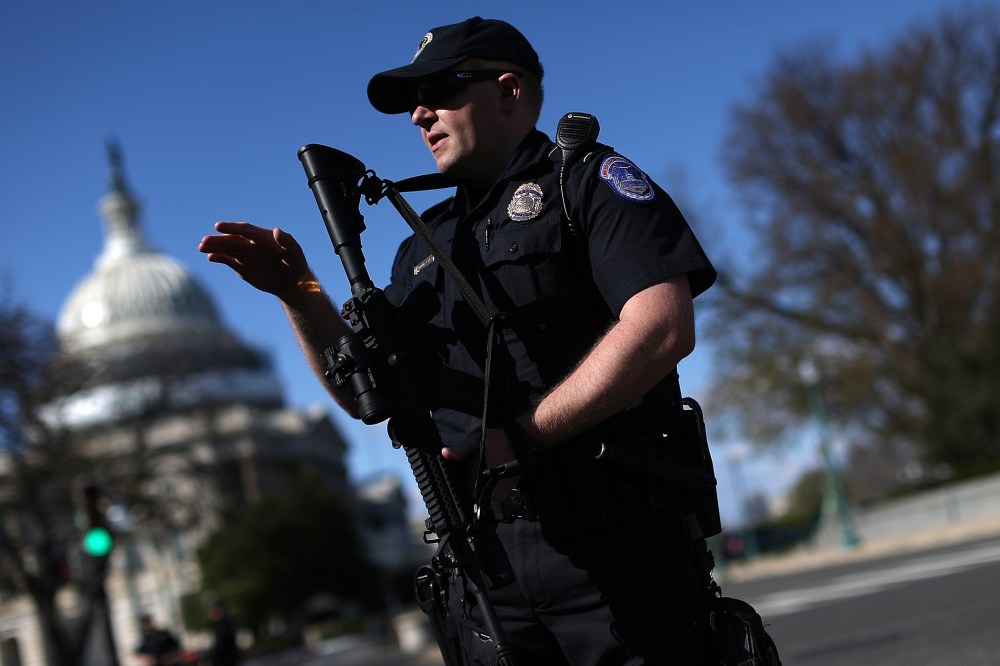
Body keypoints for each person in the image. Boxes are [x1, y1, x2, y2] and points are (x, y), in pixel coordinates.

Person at [199, 16, 718, 665]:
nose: (420, 114)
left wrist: (522, 437)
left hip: (616, 550)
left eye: (443, 88)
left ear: (509, 91)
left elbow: (662, 324)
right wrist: (298, 291)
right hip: (483, 568)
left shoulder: (584, 182)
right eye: (412, 101)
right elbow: (368, 396)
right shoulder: (421, 245)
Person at [206, 600, 241, 666]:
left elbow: (222, 643)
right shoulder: (215, 625)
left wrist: (211, 657)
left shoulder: (225, 624)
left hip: (228, 659)